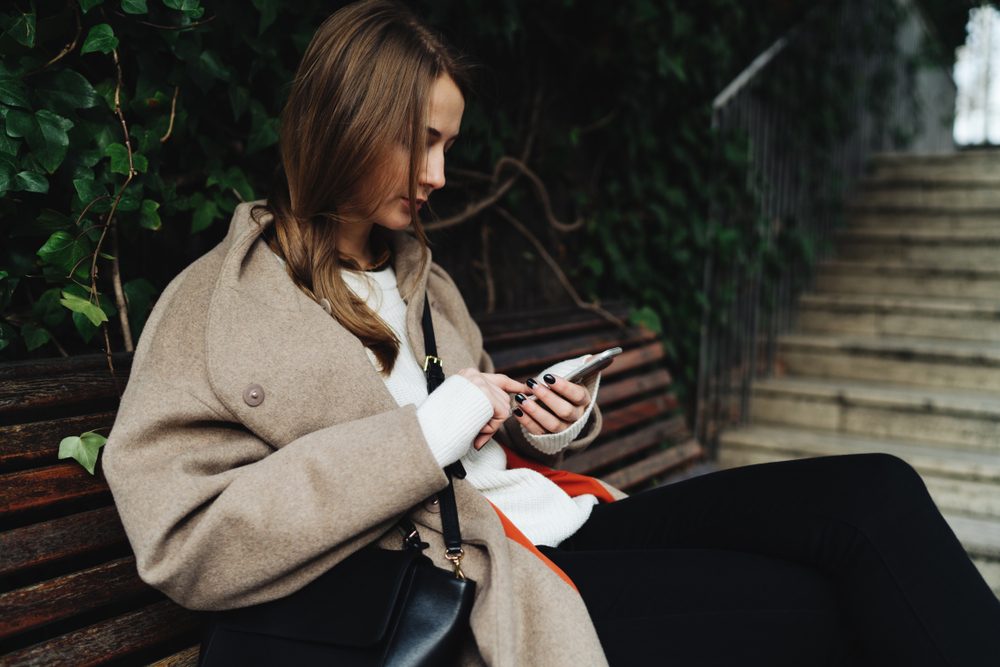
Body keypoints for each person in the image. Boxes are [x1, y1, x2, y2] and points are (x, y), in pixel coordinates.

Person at [101, 1, 1000, 665]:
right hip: (482, 580)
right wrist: (425, 435)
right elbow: (188, 544)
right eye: (424, 141)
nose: (441, 175)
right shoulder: (219, 304)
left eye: (448, 145)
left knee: (871, 495)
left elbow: (477, 421)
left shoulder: (426, 283)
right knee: (816, 604)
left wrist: (540, 419)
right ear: (348, 119)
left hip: (558, 518)